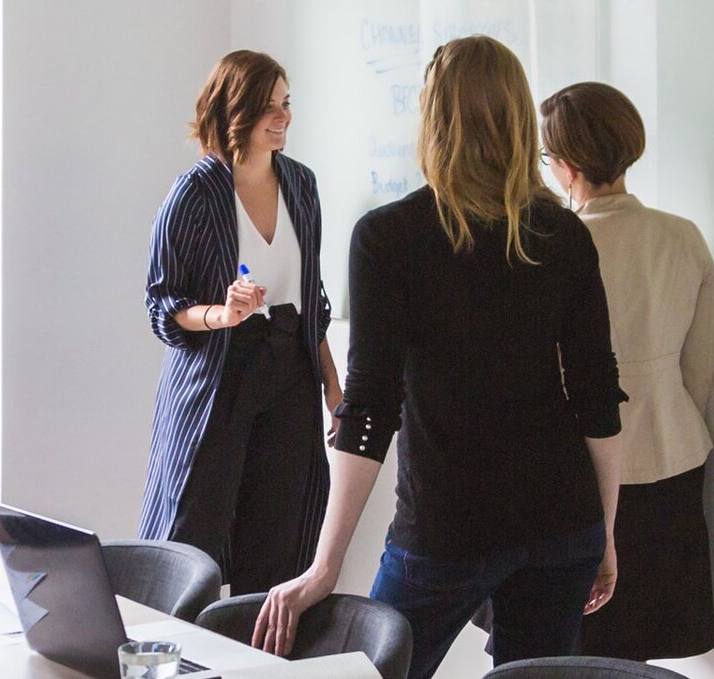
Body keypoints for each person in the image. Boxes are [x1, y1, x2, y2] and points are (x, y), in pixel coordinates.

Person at [253, 36, 627, 678]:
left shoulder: (388, 237)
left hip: (447, 525)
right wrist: (605, 534)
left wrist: (324, 567)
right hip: (560, 521)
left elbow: (369, 409)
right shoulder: (562, 232)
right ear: (517, 119)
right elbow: (598, 398)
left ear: (432, 120)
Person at [139, 50, 342, 595]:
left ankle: (257, 644)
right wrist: (222, 315)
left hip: (290, 374)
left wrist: (333, 388)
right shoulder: (196, 192)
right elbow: (163, 305)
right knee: (191, 537)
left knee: (279, 540)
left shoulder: (301, 184)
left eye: (286, 103)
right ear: (235, 111)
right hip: (217, 377)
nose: (282, 116)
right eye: (267, 106)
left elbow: (312, 301)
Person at [539, 82, 714, 660]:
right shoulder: (684, 235)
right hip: (672, 453)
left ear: (567, 166)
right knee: (641, 644)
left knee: (564, 645)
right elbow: (699, 372)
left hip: (576, 465)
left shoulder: (554, 244)